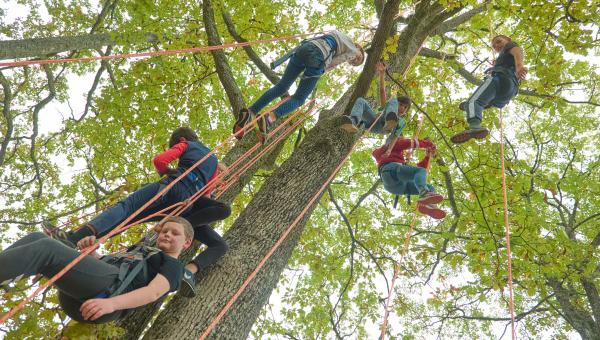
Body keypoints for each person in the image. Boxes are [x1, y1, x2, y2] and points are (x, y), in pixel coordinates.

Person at [47, 127, 220, 246]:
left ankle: (75, 238)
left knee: (127, 208)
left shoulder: (187, 145)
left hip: (172, 186)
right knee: (131, 220)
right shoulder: (214, 161)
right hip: (185, 204)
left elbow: (160, 161)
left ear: (182, 139)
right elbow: (206, 193)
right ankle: (82, 241)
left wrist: (167, 171)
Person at [0, 217, 193, 323]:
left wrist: (112, 304)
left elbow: (153, 292)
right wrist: (90, 254)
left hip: (107, 297)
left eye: (175, 233)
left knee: (46, 249)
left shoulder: (173, 266)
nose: (167, 234)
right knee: (38, 238)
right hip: (89, 289)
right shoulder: (141, 252)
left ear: (187, 243)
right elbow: (107, 266)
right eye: (165, 231)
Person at [234, 30, 364, 139]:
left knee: (282, 87)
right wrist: (322, 70)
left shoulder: (339, 34)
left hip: (304, 49)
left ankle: (250, 112)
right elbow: (336, 61)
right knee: (299, 98)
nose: (354, 61)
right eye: (358, 59)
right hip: (318, 57)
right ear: (359, 49)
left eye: (355, 64)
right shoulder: (353, 50)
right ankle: (269, 118)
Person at [451, 34, 527, 144]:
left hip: (501, 79)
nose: (496, 46)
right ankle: (484, 104)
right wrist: (497, 64)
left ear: (508, 40)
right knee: (479, 103)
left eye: (499, 41)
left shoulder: (510, 46)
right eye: (494, 46)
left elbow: (517, 51)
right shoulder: (503, 56)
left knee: (472, 102)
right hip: (508, 92)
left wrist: (519, 66)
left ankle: (474, 124)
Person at [341, 61, 410, 149]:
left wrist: (389, 148)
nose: (402, 107)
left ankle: (390, 121)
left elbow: (395, 136)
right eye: (401, 104)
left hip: (383, 128)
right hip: (374, 121)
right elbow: (382, 91)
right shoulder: (389, 106)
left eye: (405, 107)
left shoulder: (402, 121)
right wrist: (381, 74)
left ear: (405, 112)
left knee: (393, 101)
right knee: (361, 100)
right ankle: (353, 121)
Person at [372, 138, 446, 219]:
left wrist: (427, 156)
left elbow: (418, 174)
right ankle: (424, 193)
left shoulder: (396, 158)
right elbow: (409, 143)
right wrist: (429, 144)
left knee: (430, 187)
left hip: (394, 186)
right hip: (391, 169)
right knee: (421, 172)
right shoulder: (391, 145)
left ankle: (429, 206)